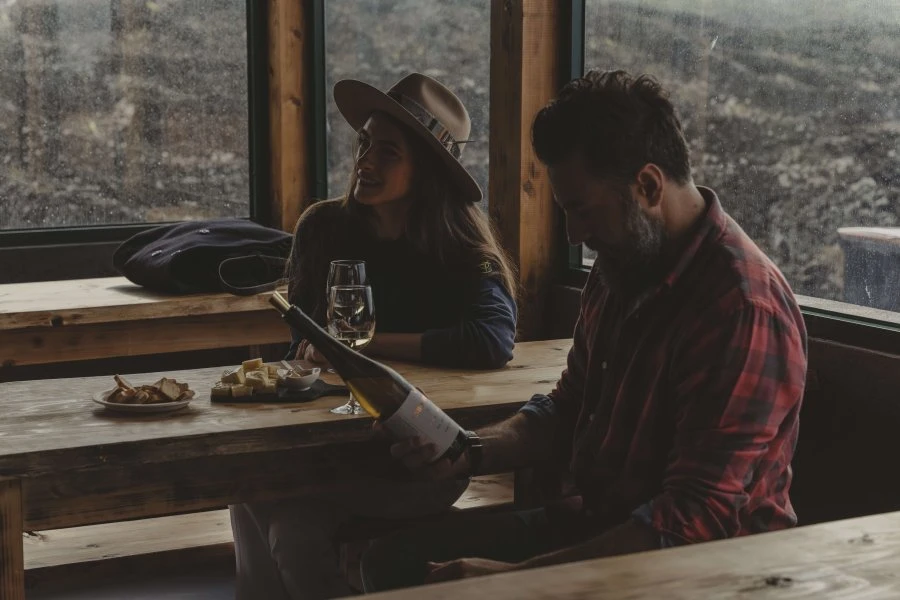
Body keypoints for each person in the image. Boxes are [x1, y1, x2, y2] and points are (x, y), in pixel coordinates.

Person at [360, 69, 809, 592]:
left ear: (647, 186)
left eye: (580, 209)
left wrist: (519, 583)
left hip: (703, 574)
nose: (575, 234)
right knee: (393, 561)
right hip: (607, 525)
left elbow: (695, 522)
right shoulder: (623, 264)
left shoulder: (742, 308)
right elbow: (568, 408)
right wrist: (466, 451)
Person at [229, 73, 517, 599]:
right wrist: (313, 354)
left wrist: (361, 346)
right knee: (248, 487)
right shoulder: (323, 228)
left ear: (426, 172)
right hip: (325, 446)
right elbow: (302, 342)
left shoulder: (459, 249)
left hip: (421, 458)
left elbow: (492, 339)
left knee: (289, 525)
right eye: (364, 144)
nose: (365, 162)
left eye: (388, 153)